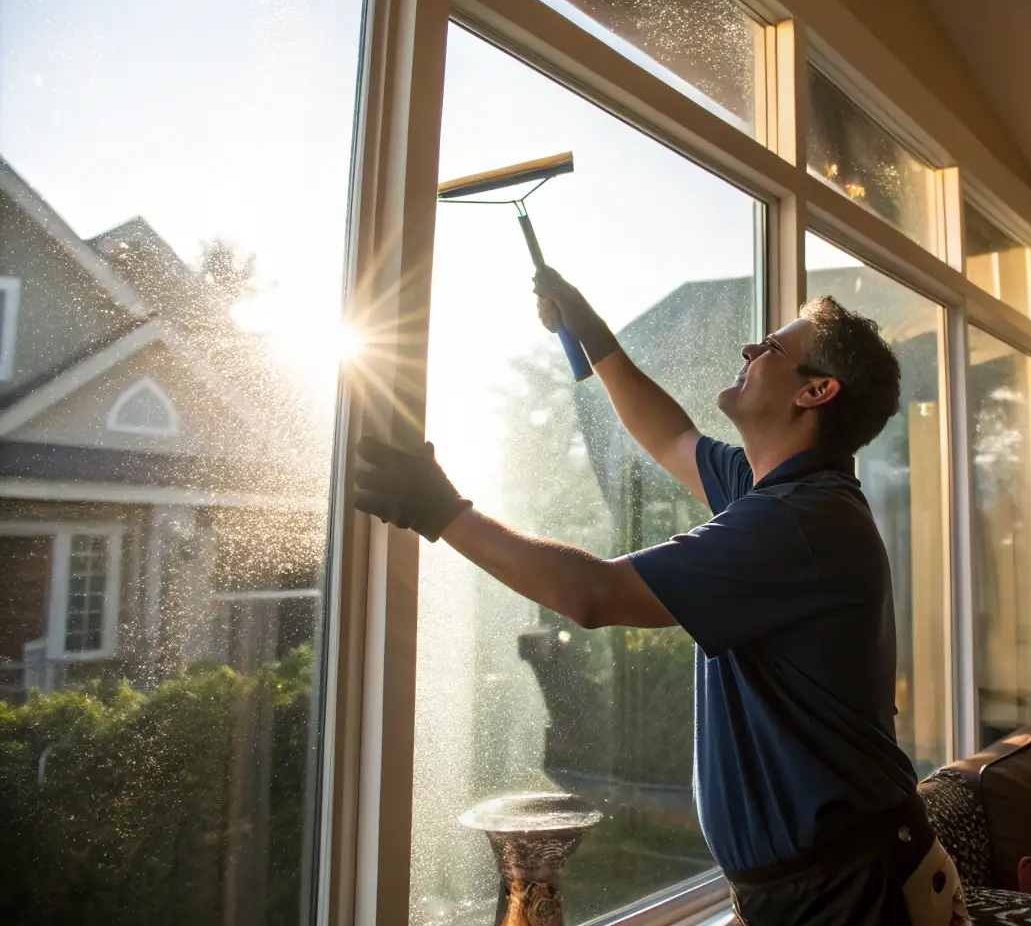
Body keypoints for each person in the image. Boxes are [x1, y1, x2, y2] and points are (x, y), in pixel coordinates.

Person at [354, 269, 970, 925]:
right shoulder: (777, 493)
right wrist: (591, 334)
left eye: (771, 349)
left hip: (851, 889)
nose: (748, 352)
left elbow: (592, 594)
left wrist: (441, 510)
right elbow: (669, 437)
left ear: (815, 390)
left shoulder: (799, 521)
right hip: (814, 882)